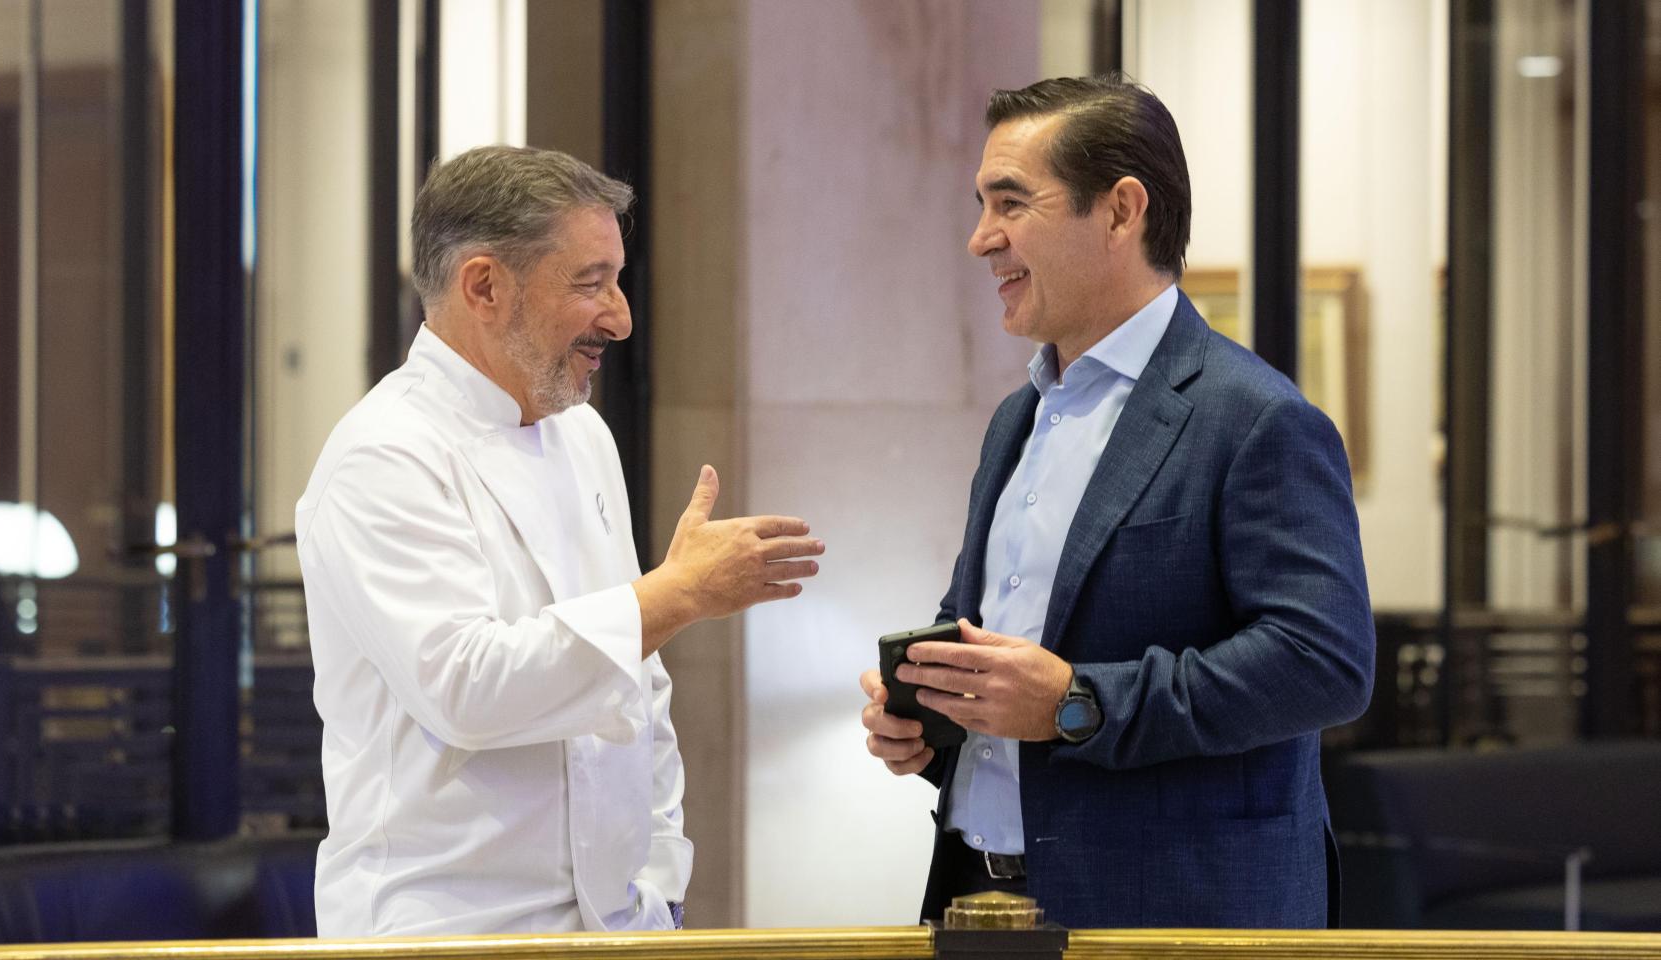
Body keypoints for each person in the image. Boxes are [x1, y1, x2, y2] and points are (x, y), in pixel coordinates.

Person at [858, 76, 1375, 929]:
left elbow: (1323, 664)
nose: (981, 238)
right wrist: (927, 712)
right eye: (982, 205)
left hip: (1173, 921)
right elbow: (983, 630)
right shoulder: (1018, 417)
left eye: (1010, 203)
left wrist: (1076, 704)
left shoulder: (1258, 419)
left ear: (1121, 211)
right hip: (977, 901)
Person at [298, 145, 824, 936]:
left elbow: (640, 685)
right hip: (445, 932)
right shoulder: (383, 454)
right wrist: (677, 593)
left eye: (617, 279)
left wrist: (663, 877)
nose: (620, 316)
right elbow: (465, 689)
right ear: (484, 285)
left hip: (618, 927)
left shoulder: (582, 434)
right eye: (590, 282)